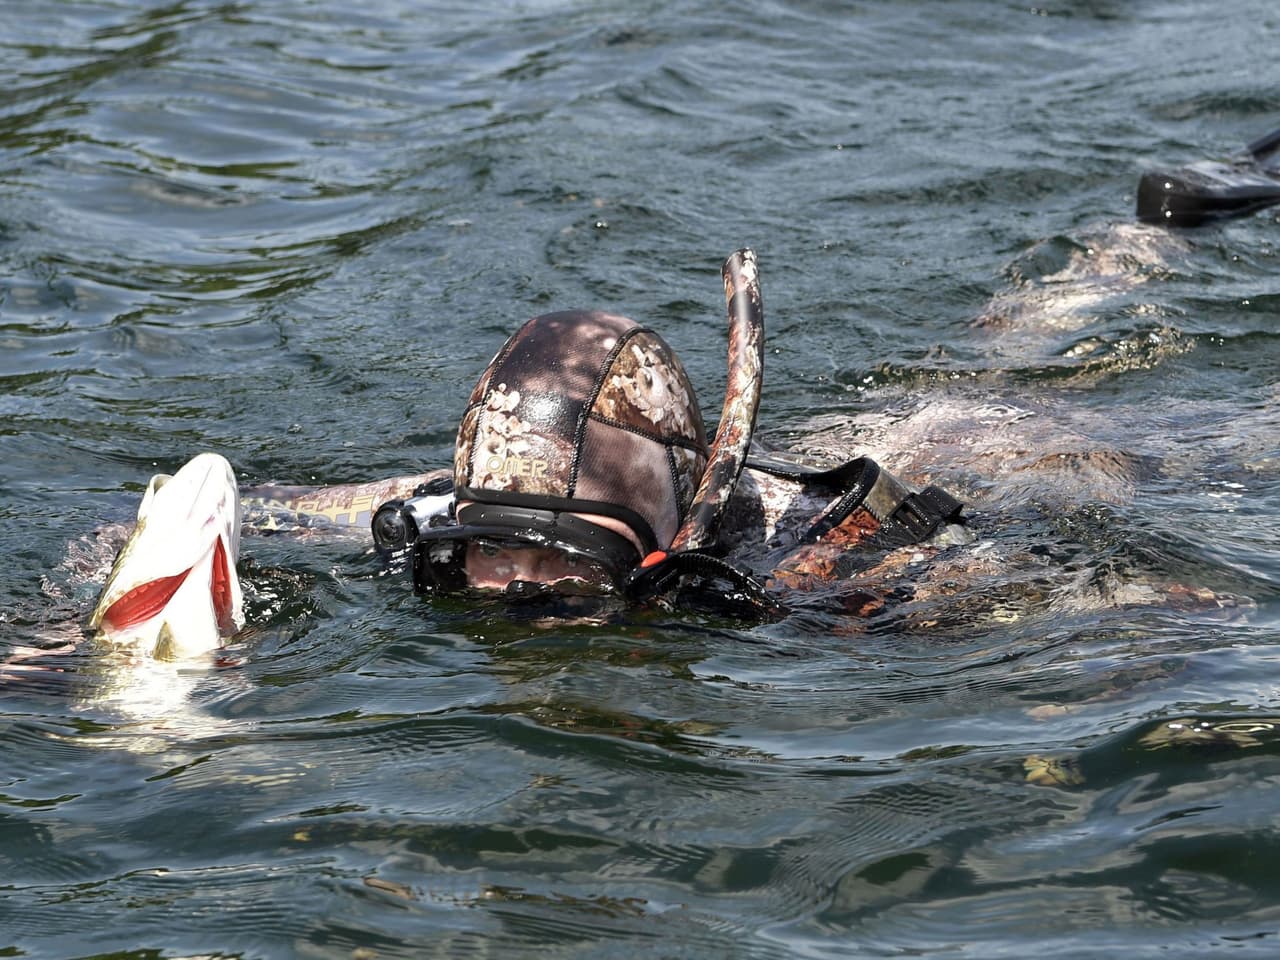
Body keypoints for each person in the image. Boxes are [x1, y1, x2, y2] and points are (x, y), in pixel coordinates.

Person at [87, 250, 967, 657]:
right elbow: (223, 512)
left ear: (656, 534)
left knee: (995, 360)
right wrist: (68, 637)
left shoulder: (807, 549)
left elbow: (1027, 598)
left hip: (961, 439)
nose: (523, 584)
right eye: (498, 545)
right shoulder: (457, 504)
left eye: (565, 551)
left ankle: (1107, 261)